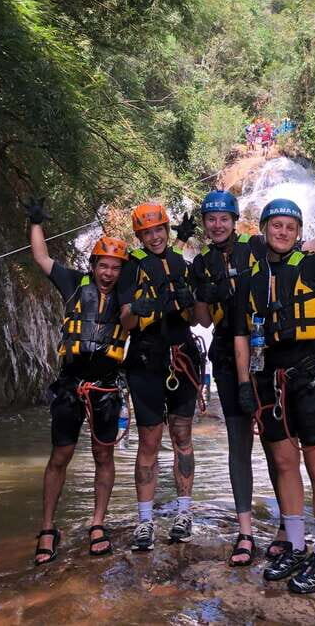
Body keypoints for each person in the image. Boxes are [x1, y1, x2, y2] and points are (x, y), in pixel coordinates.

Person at [188, 191, 315, 566]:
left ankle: (307, 545)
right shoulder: (213, 267)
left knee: (302, 460)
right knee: (266, 452)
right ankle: (267, 537)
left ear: (237, 221)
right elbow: (215, 325)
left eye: (224, 217)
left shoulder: (278, 254)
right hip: (253, 364)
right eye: (210, 218)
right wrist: (247, 384)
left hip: (301, 366)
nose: (217, 224)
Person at [234, 199, 315, 594]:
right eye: (276, 226)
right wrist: (244, 384)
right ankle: (294, 545)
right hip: (270, 378)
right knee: (284, 462)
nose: (283, 232)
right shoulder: (250, 278)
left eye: (290, 227)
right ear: (264, 229)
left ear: (297, 231)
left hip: (313, 375)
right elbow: (241, 337)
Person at [24, 196, 130, 565]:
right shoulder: (72, 283)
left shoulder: (126, 295)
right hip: (70, 384)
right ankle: (48, 527)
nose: (109, 274)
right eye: (104, 266)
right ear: (94, 264)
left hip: (106, 386)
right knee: (61, 455)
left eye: (116, 268)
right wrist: (36, 222)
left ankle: (97, 524)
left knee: (104, 454)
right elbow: (41, 258)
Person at [118, 203, 200, 552]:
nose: (154, 237)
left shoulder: (184, 263)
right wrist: (137, 310)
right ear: (139, 235)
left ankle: (183, 514)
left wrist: (190, 299)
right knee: (149, 440)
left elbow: (198, 320)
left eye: (159, 230)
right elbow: (124, 321)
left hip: (182, 357)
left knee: (182, 435)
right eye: (147, 232)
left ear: (167, 230)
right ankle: (145, 520)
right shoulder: (130, 268)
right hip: (146, 360)